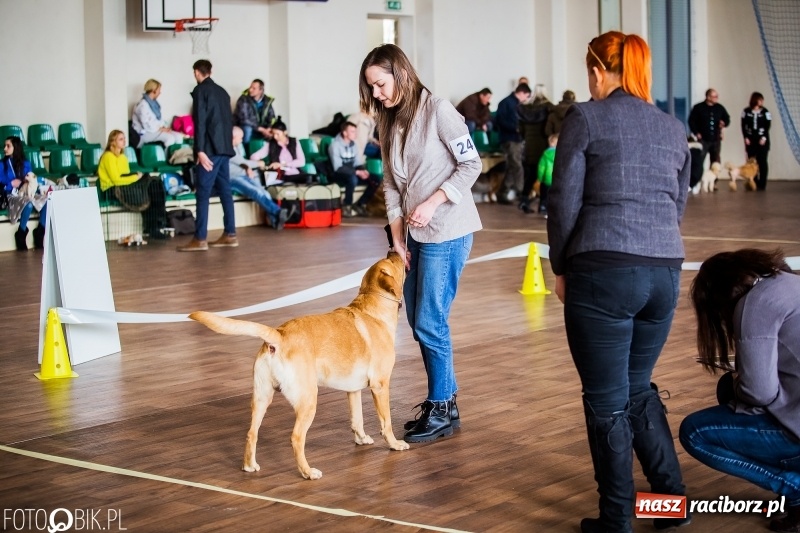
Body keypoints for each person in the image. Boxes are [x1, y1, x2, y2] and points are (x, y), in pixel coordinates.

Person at [546, 31, 690, 533]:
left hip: (603, 272)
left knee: (607, 400)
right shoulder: (673, 128)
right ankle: (670, 506)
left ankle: (617, 520)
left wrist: (560, 267)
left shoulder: (585, 117)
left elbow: (563, 203)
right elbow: (678, 205)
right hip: (665, 273)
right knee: (637, 389)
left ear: (597, 69)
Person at [360, 44, 482, 444]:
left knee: (430, 320)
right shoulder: (388, 122)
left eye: (379, 84)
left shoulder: (440, 110)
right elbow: (392, 186)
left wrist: (434, 200)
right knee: (419, 320)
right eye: (371, 88)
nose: (376, 94)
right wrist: (397, 238)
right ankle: (443, 402)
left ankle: (442, 407)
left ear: (401, 73)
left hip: (448, 229)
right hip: (412, 234)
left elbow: (472, 164)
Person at [680, 248, 800, 533]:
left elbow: (759, 392)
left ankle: (794, 488)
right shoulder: (789, 281)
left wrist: (741, 384)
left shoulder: (755, 304)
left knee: (694, 432)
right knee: (729, 390)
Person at [178, 59, 237, 252]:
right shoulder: (223, 92)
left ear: (196, 72)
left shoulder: (200, 91)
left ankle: (200, 238)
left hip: (210, 150)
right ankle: (230, 234)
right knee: (225, 191)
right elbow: (228, 122)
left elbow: (200, 122)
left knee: (202, 192)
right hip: (225, 148)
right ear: (210, 71)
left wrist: (200, 150)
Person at [97, 130, 167, 239]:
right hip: (111, 189)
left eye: (124, 138)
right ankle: (153, 226)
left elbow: (125, 176)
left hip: (124, 185)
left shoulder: (123, 157)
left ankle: (156, 225)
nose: (124, 141)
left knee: (155, 183)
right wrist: (135, 177)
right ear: (112, 142)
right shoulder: (108, 157)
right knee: (148, 185)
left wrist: (136, 177)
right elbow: (116, 180)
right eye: (121, 139)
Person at [229, 126, 289, 230]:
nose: (242, 140)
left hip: (243, 175)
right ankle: (278, 212)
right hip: (232, 179)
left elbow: (241, 163)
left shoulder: (237, 147)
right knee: (255, 191)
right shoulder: (228, 149)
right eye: (240, 138)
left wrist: (248, 168)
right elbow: (243, 162)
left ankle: (275, 221)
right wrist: (258, 163)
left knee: (264, 192)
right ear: (233, 137)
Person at [1, 136, 48, 250]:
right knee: (29, 203)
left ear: (16, 147)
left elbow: (30, 180)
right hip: (10, 194)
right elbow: (1, 184)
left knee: (46, 201)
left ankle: (40, 232)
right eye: (4, 146)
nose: (4, 149)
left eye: (8, 146)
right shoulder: (2, 164)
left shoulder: (26, 163)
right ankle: (21, 233)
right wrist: (11, 184)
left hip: (26, 192)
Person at [328, 121, 380, 217]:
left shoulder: (354, 144)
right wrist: (357, 172)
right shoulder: (335, 145)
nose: (355, 134)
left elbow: (357, 163)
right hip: (338, 173)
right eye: (352, 131)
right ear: (345, 133)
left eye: (355, 131)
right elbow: (337, 167)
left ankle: (360, 204)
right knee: (352, 179)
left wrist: (363, 170)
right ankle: (347, 205)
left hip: (352, 172)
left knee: (375, 179)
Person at [518, 84, 554, 213]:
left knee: (531, 175)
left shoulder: (525, 109)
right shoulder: (549, 108)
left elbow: (520, 130)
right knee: (545, 175)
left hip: (529, 146)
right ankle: (543, 203)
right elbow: (548, 130)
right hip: (543, 146)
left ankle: (523, 200)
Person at [495, 83, 531, 203]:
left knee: (512, 167)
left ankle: (502, 193)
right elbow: (500, 121)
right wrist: (516, 128)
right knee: (517, 166)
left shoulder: (516, 104)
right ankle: (522, 192)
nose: (526, 99)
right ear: (521, 93)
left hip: (517, 139)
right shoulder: (506, 103)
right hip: (509, 139)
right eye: (526, 96)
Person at [249, 116, 311, 184]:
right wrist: (260, 162)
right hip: (279, 174)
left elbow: (301, 161)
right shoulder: (271, 144)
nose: (275, 137)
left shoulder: (294, 142)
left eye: (278, 134)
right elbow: (254, 156)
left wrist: (282, 164)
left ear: (285, 132)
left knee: (310, 178)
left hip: (294, 173)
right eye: (273, 134)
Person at [131, 79, 185, 149]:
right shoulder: (142, 105)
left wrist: (163, 128)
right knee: (170, 138)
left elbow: (157, 120)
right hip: (144, 133)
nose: (160, 92)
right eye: (159, 90)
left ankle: (177, 158)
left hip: (155, 130)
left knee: (179, 137)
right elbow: (147, 126)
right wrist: (160, 129)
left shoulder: (154, 104)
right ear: (154, 91)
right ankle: (166, 159)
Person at [688, 88, 730, 168]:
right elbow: (691, 121)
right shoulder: (698, 107)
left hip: (716, 139)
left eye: (717, 96)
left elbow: (727, 118)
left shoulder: (719, 107)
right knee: (699, 159)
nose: (716, 98)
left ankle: (714, 179)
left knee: (715, 161)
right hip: (703, 139)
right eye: (715, 96)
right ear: (708, 97)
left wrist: (724, 123)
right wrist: (696, 132)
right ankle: (698, 178)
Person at [741, 91, 772, 191]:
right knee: (751, 162)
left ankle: (762, 184)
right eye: (760, 100)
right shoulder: (746, 111)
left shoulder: (765, 112)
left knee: (762, 161)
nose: (762, 102)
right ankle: (752, 182)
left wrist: (764, 137)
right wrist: (746, 137)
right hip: (751, 140)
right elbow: (743, 125)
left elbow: (768, 126)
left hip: (762, 141)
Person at [234, 79, 277, 143]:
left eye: (254, 88)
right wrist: (261, 129)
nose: (250, 89)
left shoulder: (267, 101)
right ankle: (246, 151)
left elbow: (272, 117)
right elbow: (244, 119)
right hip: (246, 126)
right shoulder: (243, 99)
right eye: (250, 87)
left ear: (260, 90)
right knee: (247, 129)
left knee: (276, 131)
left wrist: (269, 128)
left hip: (262, 128)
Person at [536, 133, 557, 216]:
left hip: (546, 179)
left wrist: (539, 178)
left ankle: (542, 206)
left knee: (544, 194)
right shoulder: (561, 154)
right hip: (556, 179)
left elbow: (541, 167)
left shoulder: (545, 155)